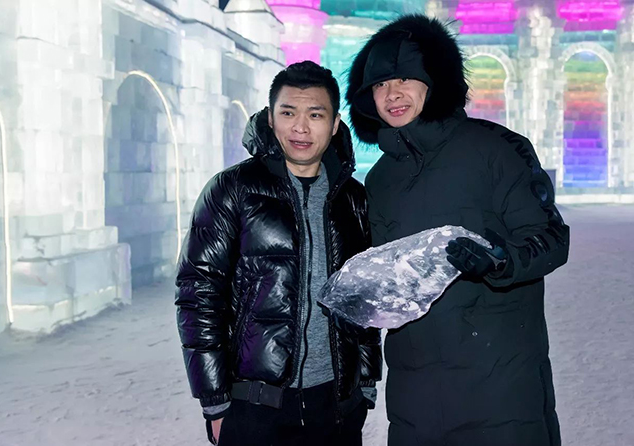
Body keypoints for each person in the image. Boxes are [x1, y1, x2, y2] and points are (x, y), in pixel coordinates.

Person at [345, 14, 570, 446]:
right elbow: (380, 279)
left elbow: (552, 238)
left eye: (405, 78)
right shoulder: (380, 180)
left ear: (435, 81)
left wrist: (500, 260)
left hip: (499, 389)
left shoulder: (495, 148)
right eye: (380, 84)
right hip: (415, 396)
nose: (392, 94)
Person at [175, 61, 382, 446]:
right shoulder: (232, 189)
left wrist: (366, 381)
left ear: (334, 124)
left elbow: (363, 297)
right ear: (270, 118)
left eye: (315, 114)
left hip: (336, 405)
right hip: (254, 405)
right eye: (288, 113)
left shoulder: (354, 199)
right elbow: (198, 294)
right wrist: (215, 400)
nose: (300, 127)